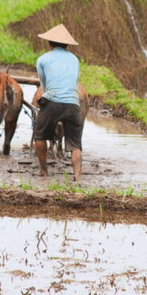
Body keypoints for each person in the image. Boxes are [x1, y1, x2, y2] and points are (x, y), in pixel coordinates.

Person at [34, 24, 83, 182]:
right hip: (73, 104)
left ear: (49, 43)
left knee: (39, 136)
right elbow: (73, 82)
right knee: (75, 144)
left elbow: (44, 84)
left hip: (52, 101)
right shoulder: (75, 59)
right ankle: (77, 177)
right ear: (67, 45)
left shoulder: (43, 59)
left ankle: (44, 172)